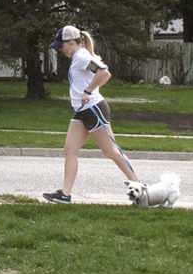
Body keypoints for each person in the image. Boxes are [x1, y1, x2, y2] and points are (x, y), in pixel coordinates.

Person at [42, 24, 141, 203]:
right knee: (70, 150)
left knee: (111, 151)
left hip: (93, 109)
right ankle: (65, 194)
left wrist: (87, 91)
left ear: (72, 42)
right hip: (82, 111)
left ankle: (139, 188)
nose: (60, 49)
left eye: (61, 45)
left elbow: (104, 73)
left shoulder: (81, 56)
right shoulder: (79, 57)